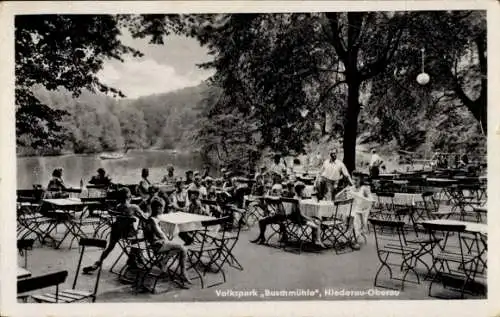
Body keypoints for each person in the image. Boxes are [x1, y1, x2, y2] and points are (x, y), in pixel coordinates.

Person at [83, 187, 147, 274]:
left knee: (110, 247)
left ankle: (97, 263)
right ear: (129, 196)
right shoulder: (134, 207)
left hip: (117, 231)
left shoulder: (117, 207)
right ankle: (133, 258)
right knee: (143, 236)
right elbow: (145, 218)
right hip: (129, 234)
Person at [142, 199, 191, 286]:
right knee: (183, 248)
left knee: (180, 247)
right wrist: (169, 240)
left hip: (159, 243)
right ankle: (183, 272)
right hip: (157, 245)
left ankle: (164, 261)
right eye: (162, 208)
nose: (163, 210)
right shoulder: (153, 220)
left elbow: (162, 233)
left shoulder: (154, 218)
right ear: (158, 208)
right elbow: (160, 234)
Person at [347, 173, 374, 250]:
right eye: (353, 179)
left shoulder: (364, 188)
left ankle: (354, 239)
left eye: (356, 180)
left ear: (361, 180)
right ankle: (349, 235)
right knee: (345, 215)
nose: (354, 181)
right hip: (351, 209)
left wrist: (358, 196)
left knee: (356, 217)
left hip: (361, 210)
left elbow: (371, 200)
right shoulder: (351, 188)